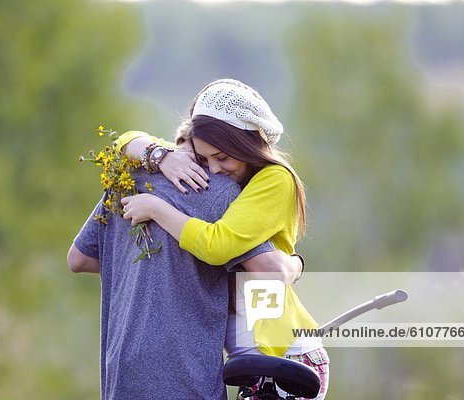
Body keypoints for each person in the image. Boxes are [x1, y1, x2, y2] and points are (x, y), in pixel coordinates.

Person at [116, 79, 329, 399]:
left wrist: (156, 208)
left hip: (284, 359)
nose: (214, 170)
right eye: (205, 160)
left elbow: (218, 246)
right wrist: (163, 156)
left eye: (223, 157)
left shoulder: (276, 180)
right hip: (252, 366)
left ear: (247, 146)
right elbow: (123, 142)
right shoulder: (229, 185)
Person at [68, 141, 303, 399]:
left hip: (121, 372)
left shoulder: (127, 179)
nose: (215, 167)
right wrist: (297, 264)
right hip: (186, 377)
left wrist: (141, 264)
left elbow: (78, 259)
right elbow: (270, 271)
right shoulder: (219, 194)